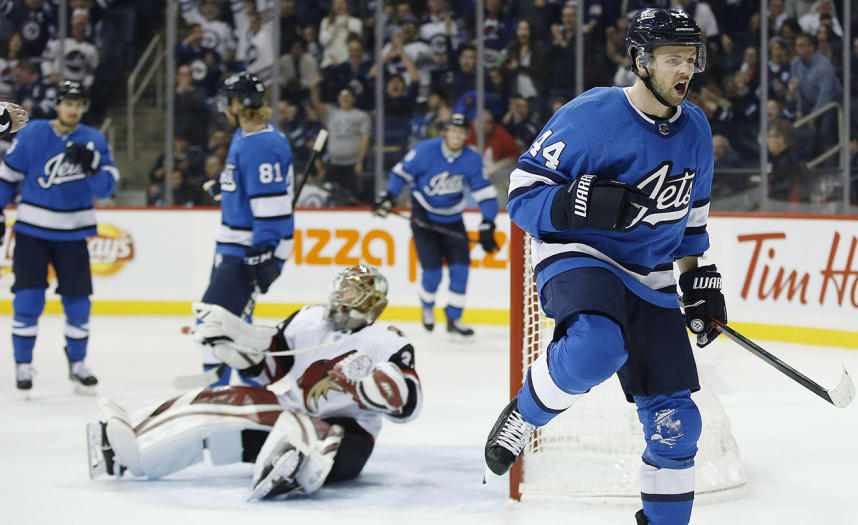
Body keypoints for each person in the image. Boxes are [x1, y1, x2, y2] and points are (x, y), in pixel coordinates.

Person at [482, 10, 726, 525]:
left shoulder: (697, 128)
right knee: (596, 346)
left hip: (652, 274)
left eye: (691, 59)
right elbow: (521, 196)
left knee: (677, 425)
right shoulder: (591, 115)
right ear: (641, 61)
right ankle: (525, 415)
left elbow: (692, 223)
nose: (686, 70)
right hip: (582, 255)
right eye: (673, 59)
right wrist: (578, 202)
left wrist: (695, 282)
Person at [86, 265, 423, 501]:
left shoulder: (388, 342)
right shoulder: (308, 319)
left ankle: (291, 468)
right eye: (341, 288)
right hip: (293, 412)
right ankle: (133, 447)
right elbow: (272, 369)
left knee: (308, 434)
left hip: (350, 437)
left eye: (352, 292)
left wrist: (370, 385)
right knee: (223, 400)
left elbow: (408, 407)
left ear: (372, 302)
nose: (341, 297)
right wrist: (237, 354)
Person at [0, 81, 119, 393]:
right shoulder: (32, 132)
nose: (73, 110)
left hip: (73, 234)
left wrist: (92, 166)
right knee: (27, 300)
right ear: (58, 105)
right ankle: (23, 364)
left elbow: (107, 189)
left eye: (79, 105)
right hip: (31, 231)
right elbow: (7, 176)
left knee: (78, 305)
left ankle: (77, 363)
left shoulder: (94, 140)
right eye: (68, 103)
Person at [199, 72, 294, 387]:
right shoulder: (250, 135)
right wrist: (228, 189)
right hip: (236, 241)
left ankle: (218, 390)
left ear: (239, 104)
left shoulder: (260, 144)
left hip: (248, 244)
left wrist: (264, 248)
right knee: (236, 321)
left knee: (213, 319)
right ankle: (251, 387)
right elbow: (254, 189)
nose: (226, 106)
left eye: (230, 100)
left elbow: (271, 205)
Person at [372, 113, 499, 337]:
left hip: (453, 220)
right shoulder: (425, 150)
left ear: (466, 135)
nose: (456, 135)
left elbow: (485, 194)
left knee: (460, 271)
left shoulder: (471, 159)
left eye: (461, 132)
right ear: (446, 132)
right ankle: (427, 307)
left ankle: (454, 318)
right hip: (424, 219)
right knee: (433, 274)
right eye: (453, 130)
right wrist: (389, 196)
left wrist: (488, 223)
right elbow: (400, 173)